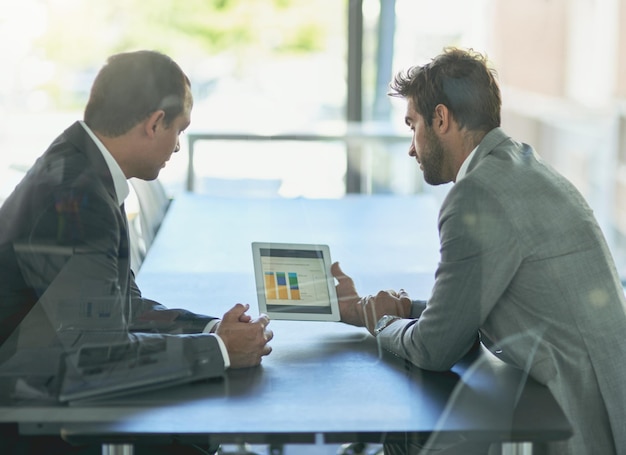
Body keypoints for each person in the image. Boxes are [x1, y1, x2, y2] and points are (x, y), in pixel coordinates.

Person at [331, 47, 626, 455]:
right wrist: (380, 309)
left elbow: (435, 348)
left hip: (572, 424)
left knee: (403, 439)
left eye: (412, 125)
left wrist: (378, 321)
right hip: (598, 403)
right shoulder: (525, 167)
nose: (411, 148)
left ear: (441, 118)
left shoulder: (477, 193)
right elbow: (463, 310)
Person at [0, 50, 272, 453]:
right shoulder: (77, 197)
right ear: (155, 123)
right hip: (27, 413)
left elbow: (119, 303)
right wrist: (220, 351)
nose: (178, 148)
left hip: (39, 382)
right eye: (178, 131)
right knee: (195, 437)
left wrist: (211, 330)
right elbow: (99, 358)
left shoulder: (77, 166)